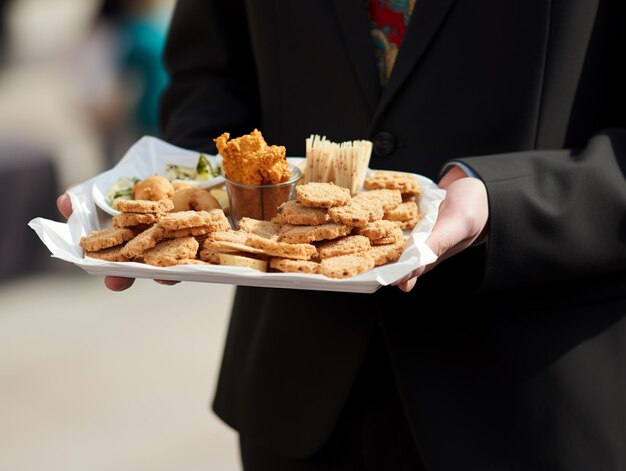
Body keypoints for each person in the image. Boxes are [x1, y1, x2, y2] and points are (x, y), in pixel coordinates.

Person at [58, 1, 626, 469]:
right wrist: (197, 199)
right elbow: (207, 72)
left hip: (537, 409)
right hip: (297, 405)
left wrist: (499, 199)